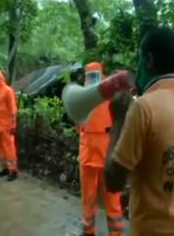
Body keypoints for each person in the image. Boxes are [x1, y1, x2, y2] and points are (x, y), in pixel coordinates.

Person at [105, 27, 174, 236]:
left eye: (139, 59)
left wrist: (118, 119)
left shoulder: (144, 108)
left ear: (149, 60)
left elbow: (113, 181)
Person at [76, 62, 124, 236]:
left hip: (103, 154)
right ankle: (89, 231)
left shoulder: (112, 93)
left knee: (110, 198)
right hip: (91, 154)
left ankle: (112, 233)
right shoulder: (83, 95)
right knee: (92, 197)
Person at [0, 70, 18, 182]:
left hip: (6, 126)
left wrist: (13, 124)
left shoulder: (8, 91)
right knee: (0, 148)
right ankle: (5, 168)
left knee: (9, 148)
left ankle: (13, 170)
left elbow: (13, 109)